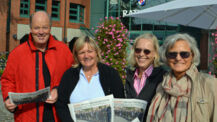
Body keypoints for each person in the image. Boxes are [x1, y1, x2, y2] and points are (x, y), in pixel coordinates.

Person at [0, 11, 74, 122]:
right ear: (30, 29)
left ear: (50, 28)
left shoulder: (64, 51)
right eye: (36, 28)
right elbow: (7, 80)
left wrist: (58, 90)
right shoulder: (17, 54)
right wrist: (7, 99)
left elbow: (73, 78)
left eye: (45, 27)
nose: (41, 32)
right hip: (26, 116)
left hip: (58, 116)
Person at [146, 33, 217, 122]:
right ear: (166, 58)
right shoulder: (161, 86)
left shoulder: (210, 84)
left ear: (193, 55)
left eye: (184, 54)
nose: (178, 58)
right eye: (172, 54)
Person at [55, 36, 124, 122]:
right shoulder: (69, 75)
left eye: (90, 51)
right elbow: (61, 105)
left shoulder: (111, 74)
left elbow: (120, 104)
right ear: (76, 55)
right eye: (82, 52)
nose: (86, 56)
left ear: (96, 52)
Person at [125, 33, 166, 121]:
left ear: (155, 53)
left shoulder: (163, 78)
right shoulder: (126, 76)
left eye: (147, 51)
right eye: (138, 50)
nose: (141, 54)